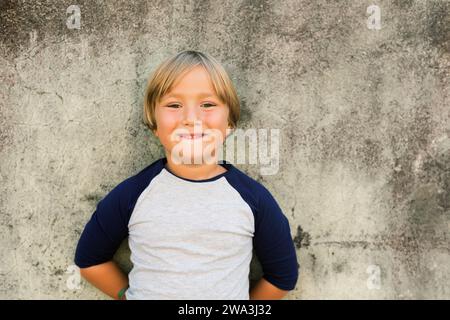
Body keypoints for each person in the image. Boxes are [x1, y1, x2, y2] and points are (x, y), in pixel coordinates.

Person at [74, 50, 299, 300]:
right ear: (154, 123)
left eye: (208, 105)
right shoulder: (133, 194)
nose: (191, 119)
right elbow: (89, 260)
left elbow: (283, 276)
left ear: (230, 123)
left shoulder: (253, 200)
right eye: (174, 105)